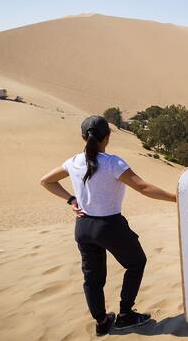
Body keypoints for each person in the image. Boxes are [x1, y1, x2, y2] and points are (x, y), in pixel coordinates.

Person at [40, 115, 176, 336]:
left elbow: (46, 181)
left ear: (83, 137)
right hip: (110, 226)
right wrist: (176, 198)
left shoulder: (73, 161)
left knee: (92, 278)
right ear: (108, 137)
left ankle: (102, 322)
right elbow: (142, 187)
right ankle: (125, 315)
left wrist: (71, 200)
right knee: (136, 263)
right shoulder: (113, 162)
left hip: (83, 227)